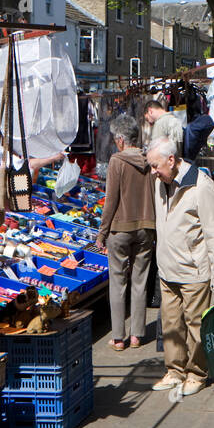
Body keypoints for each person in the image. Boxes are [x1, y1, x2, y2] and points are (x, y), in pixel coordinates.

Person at [146, 139, 214, 395]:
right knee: (170, 325)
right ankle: (174, 370)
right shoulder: (161, 183)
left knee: (196, 325)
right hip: (168, 269)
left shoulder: (201, 186)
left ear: (171, 160)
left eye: (156, 166)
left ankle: (197, 372)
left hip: (194, 270)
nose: (153, 172)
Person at [95, 113, 156, 350]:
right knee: (140, 281)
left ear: (120, 140)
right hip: (146, 227)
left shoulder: (117, 161)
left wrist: (102, 233)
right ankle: (137, 335)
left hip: (119, 228)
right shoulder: (149, 159)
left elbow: (111, 201)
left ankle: (118, 337)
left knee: (118, 282)